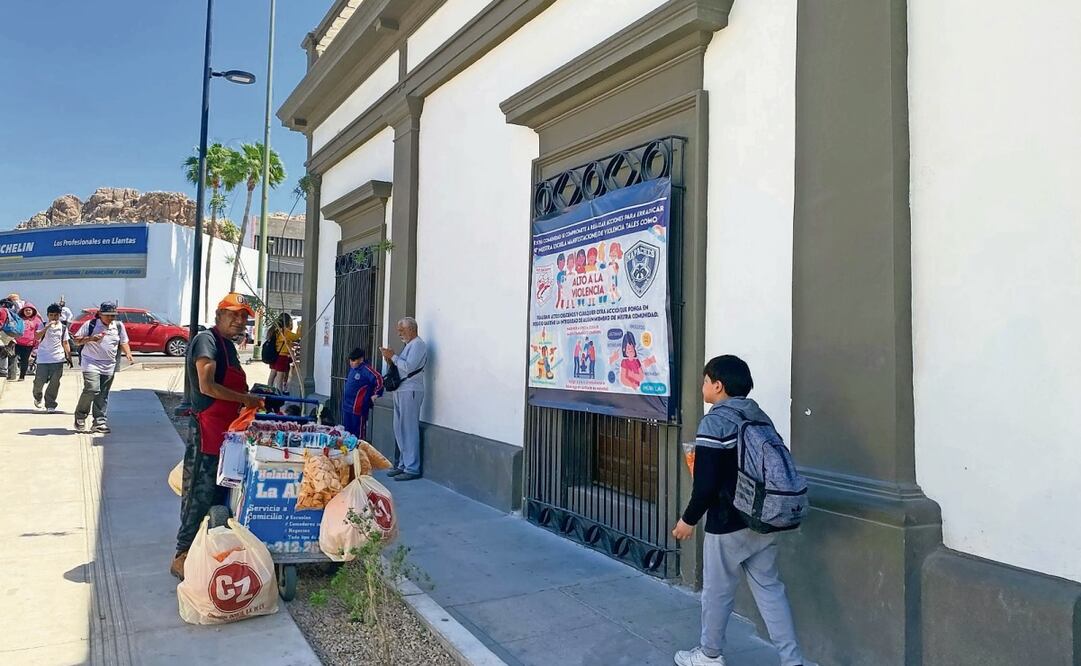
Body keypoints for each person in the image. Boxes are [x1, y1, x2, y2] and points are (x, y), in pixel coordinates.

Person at [671, 355, 804, 666]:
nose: (702, 386)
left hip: (727, 523)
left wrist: (687, 521)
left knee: (717, 595)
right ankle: (792, 660)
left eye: (705, 381)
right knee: (771, 591)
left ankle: (709, 654)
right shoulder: (759, 418)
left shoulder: (715, 421)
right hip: (763, 520)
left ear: (718, 386)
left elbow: (705, 485)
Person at [172, 292, 261, 580]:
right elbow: (207, 385)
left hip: (227, 435)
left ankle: (211, 548)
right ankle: (182, 555)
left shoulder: (228, 347)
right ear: (219, 314)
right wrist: (244, 399)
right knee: (199, 493)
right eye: (233, 314)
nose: (239, 321)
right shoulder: (206, 341)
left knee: (221, 494)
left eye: (244, 317)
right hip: (207, 432)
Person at [73, 302, 134, 433]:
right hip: (91, 362)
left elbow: (123, 341)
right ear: (100, 314)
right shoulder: (90, 324)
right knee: (92, 388)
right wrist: (90, 339)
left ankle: (99, 422)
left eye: (113, 315)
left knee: (103, 394)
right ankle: (80, 416)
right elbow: (76, 340)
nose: (111, 318)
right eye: (108, 315)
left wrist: (128, 353)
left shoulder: (118, 326)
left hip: (109, 364)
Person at [380, 317, 427, 482]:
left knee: (409, 429)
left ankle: (412, 467)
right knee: (399, 428)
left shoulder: (418, 345)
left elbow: (408, 367)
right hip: (401, 390)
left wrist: (393, 356)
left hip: (411, 391)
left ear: (412, 329)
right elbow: (401, 368)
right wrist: (389, 359)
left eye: (402, 330)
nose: (399, 333)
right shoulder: (409, 345)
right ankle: (403, 464)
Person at [32, 304, 72, 411]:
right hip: (43, 358)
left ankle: (50, 404)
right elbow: (36, 337)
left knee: (54, 383)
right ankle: (37, 396)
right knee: (39, 382)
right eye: (51, 315)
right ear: (47, 315)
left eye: (56, 315)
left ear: (60, 315)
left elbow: (65, 342)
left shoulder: (63, 328)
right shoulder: (42, 324)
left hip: (57, 358)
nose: (53, 317)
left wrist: (69, 356)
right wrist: (47, 327)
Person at [341, 347, 383, 440]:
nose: (351, 363)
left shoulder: (366, 369)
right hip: (347, 406)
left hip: (358, 408)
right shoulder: (352, 369)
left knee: (358, 434)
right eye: (350, 360)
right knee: (347, 433)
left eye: (354, 360)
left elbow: (379, 378)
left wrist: (377, 393)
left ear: (361, 359)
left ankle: (359, 452)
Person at [267, 312, 300, 392]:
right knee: (280, 376)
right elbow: (296, 337)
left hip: (275, 355)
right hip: (282, 356)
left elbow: (283, 342)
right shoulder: (285, 331)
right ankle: (279, 393)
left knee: (272, 374)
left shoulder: (274, 330)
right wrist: (300, 327)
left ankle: (268, 390)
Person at [13, 303, 43, 381]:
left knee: (24, 360)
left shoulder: (37, 320)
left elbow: (39, 332)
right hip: (17, 342)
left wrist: (37, 343)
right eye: (26, 310)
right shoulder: (19, 319)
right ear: (23, 311)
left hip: (29, 344)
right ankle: (11, 374)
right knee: (13, 358)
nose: (28, 312)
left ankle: (22, 376)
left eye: (29, 310)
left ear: (33, 311)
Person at [0, 297, 18, 381]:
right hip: (9, 334)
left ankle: (3, 371)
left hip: (3, 334)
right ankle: (10, 373)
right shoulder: (11, 311)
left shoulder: (2, 310)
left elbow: (1, 323)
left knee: (3, 352)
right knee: (6, 352)